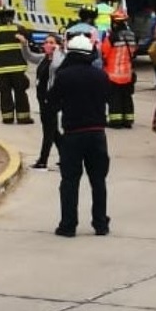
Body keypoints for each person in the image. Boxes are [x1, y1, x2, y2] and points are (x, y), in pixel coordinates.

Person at [47, 33, 112, 237]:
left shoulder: (64, 76)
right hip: (97, 134)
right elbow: (109, 98)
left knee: (70, 181)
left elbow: (52, 102)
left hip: (73, 134)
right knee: (98, 181)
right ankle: (100, 224)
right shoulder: (101, 75)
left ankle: (68, 226)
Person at [17, 32, 64, 169]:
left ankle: (43, 161)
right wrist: (24, 45)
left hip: (52, 100)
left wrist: (57, 50)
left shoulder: (60, 59)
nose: (47, 45)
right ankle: (67, 155)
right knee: (53, 130)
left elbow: (55, 66)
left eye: (51, 42)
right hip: (42, 99)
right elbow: (29, 56)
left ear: (58, 45)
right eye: (46, 42)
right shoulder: (43, 58)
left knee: (48, 131)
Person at [0, 8, 33, 124]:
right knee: (20, 92)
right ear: (12, 17)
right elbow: (29, 39)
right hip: (18, 68)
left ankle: (7, 117)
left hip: (1, 69)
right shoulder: (19, 29)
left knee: (5, 93)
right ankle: (23, 117)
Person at [101, 9, 137, 128]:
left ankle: (116, 121)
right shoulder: (132, 36)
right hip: (127, 74)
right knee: (127, 97)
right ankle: (128, 120)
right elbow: (134, 52)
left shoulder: (112, 37)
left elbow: (104, 53)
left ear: (114, 22)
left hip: (113, 74)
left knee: (114, 98)